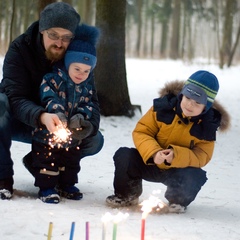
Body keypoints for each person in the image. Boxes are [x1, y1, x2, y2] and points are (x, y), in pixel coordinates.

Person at [0, 2, 104, 200]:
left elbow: (93, 101)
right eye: (53, 35)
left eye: (66, 38)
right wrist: (42, 116)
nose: (59, 43)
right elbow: (14, 97)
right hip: (21, 120)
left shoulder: (80, 59)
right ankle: (2, 179)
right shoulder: (20, 49)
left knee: (94, 140)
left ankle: (43, 163)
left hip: (60, 127)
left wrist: (85, 124)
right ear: (42, 30)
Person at [106, 70, 230, 213]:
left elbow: (202, 155)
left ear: (206, 107)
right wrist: (154, 152)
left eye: (197, 103)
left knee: (195, 175)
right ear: (182, 95)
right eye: (188, 98)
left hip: (177, 171)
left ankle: (178, 200)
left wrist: (175, 156)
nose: (190, 105)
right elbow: (142, 131)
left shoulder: (207, 126)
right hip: (151, 162)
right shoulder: (162, 108)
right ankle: (127, 194)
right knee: (124, 155)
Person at [32, 38, 98, 204]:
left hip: (72, 135)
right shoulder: (52, 79)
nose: (80, 74)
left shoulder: (87, 87)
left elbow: (88, 104)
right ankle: (46, 187)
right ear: (68, 63)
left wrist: (82, 117)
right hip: (49, 131)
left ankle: (67, 184)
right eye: (77, 68)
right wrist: (57, 113)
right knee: (47, 159)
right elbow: (48, 97)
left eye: (86, 71)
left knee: (71, 160)